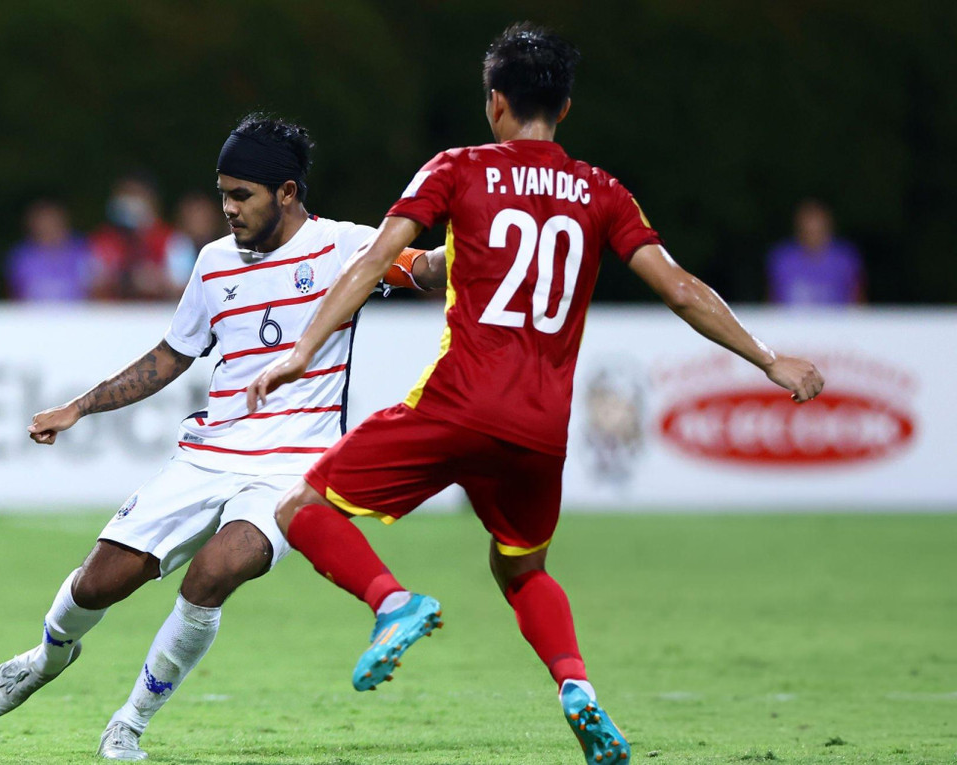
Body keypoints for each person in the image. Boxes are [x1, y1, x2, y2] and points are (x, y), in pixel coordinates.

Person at [247, 23, 825, 765]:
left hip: (457, 405)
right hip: (541, 430)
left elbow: (370, 262)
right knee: (521, 568)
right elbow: (681, 289)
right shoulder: (602, 191)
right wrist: (769, 360)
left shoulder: (458, 168)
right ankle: (576, 686)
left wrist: (301, 353)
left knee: (300, 507)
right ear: (566, 107)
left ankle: (394, 602)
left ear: (496, 100)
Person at [0, 114, 446, 761]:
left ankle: (129, 724)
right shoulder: (214, 262)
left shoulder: (346, 247)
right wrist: (79, 407)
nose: (228, 208)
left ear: (287, 192)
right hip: (207, 456)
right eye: (223, 193)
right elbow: (172, 355)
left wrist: (478, 250)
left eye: (241, 195)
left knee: (213, 574)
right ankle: (45, 658)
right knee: (97, 584)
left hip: (291, 468)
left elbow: (425, 270)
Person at [89, 174, 197, 301]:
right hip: (112, 312)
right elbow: (87, 283)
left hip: (158, 311)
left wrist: (157, 280)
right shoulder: (103, 240)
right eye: (122, 195)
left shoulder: (174, 240)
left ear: (151, 199)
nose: (126, 202)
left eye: (133, 194)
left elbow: (186, 287)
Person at [766, 198, 865, 305]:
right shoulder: (782, 259)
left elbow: (858, 301)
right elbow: (771, 302)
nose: (813, 236)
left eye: (818, 230)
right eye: (807, 231)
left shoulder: (845, 258)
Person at [6, 201, 95, 302]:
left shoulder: (85, 250)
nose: (48, 227)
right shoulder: (21, 258)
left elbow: (98, 291)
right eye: (43, 223)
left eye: (53, 222)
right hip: (35, 311)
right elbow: (15, 296)